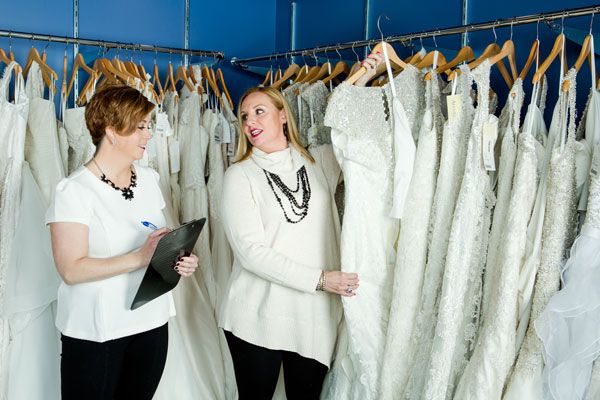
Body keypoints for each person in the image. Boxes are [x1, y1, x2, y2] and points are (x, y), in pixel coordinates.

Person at [46, 84, 199, 400]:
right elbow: (71, 270)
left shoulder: (148, 179)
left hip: (151, 322)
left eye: (148, 126)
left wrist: (179, 256)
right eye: (140, 127)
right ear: (111, 131)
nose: (148, 135)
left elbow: (156, 240)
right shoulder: (72, 191)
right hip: (97, 331)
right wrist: (140, 257)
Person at [219, 86, 360, 400]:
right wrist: (320, 279)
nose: (250, 122)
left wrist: (367, 71)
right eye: (244, 116)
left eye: (259, 111)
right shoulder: (239, 175)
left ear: (283, 115)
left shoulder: (318, 160)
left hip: (313, 314)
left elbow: (348, 118)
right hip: (256, 312)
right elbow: (250, 253)